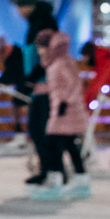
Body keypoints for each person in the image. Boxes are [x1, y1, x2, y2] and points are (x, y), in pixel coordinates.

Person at [25, 29, 90, 198]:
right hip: (61, 109)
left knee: (52, 144)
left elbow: (73, 84)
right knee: (68, 144)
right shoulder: (56, 61)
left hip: (64, 111)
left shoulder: (61, 62)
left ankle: (55, 183)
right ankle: (81, 179)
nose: (39, 51)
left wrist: (64, 103)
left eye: (41, 47)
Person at [12, 0, 58, 169]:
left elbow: (47, 55)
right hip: (38, 84)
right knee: (37, 129)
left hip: (45, 84)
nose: (19, 12)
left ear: (29, 6)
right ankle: (45, 168)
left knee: (42, 129)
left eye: (20, 7)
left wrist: (32, 77)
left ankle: (51, 169)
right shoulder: (36, 22)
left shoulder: (43, 22)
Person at [0, 34, 27, 140]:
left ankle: (21, 135)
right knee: (16, 106)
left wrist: (0, 81)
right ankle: (19, 134)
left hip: (26, 86)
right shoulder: (12, 54)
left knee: (21, 107)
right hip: (22, 86)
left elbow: (14, 73)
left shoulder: (14, 54)